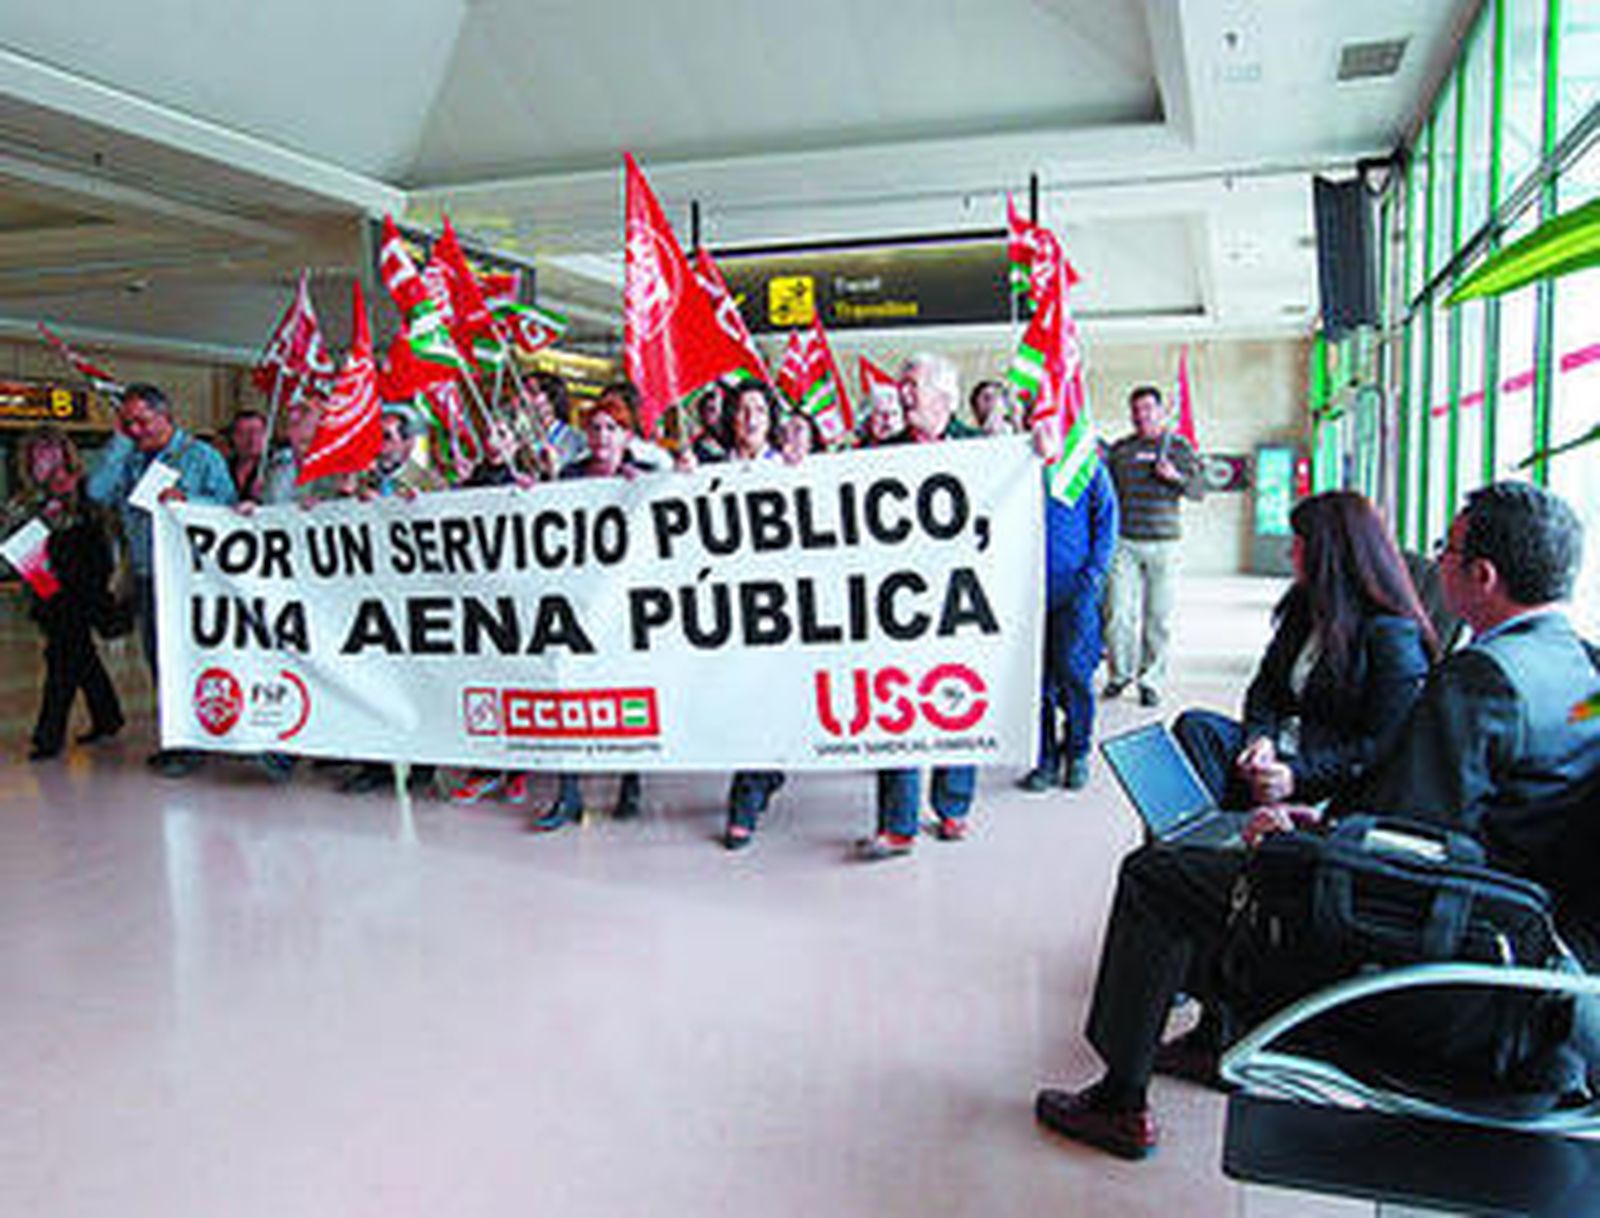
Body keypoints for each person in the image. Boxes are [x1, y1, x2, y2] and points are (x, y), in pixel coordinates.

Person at [1033, 481, 1600, 1162]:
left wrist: (1307, 839)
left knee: (1158, 875)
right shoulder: (1582, 672)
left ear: (1483, 575)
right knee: (1215, 835)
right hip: (1522, 933)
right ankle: (1212, 1035)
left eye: (1447, 551)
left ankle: (1118, 1102)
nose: (1436, 564)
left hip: (1445, 949)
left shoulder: (1481, 680)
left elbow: (1411, 845)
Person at [1171, 491, 1437, 809]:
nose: (1290, 554)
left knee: (1198, 791)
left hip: (1331, 776)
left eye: (1298, 544)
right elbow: (1267, 686)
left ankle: (1204, 842)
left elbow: (1382, 745)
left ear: (1328, 554)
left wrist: (1296, 775)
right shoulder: (1305, 607)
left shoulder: (1392, 636)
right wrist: (1261, 738)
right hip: (1284, 751)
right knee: (1196, 729)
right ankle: (1204, 836)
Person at [857, 354, 982, 860]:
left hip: (964, 598)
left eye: (913, 385)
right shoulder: (880, 452)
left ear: (946, 396)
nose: (903, 394)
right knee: (897, 708)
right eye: (901, 385)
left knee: (958, 699)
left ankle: (953, 806)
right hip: (899, 604)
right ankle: (897, 823)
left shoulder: (984, 449)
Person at [85, 383, 235, 777]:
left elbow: (230, 509)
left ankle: (199, 739)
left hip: (190, 577)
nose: (136, 429)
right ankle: (178, 737)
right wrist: (118, 443)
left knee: (191, 658)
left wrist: (189, 502)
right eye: (128, 422)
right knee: (159, 659)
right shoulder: (129, 459)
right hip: (147, 575)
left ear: (165, 415)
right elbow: (97, 492)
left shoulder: (201, 457)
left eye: (142, 421)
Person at [529, 384, 649, 832]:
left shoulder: (644, 478)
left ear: (625, 435)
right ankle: (569, 793)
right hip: (579, 606)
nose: (601, 436)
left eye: (610, 429)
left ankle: (631, 781)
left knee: (630, 692)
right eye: (595, 428)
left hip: (626, 609)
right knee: (570, 694)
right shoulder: (569, 479)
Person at [11, 429, 123, 760]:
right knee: (79, 656)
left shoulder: (88, 491)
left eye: (52, 452)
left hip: (86, 587)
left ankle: (49, 735)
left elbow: (108, 533)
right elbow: (14, 541)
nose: (46, 460)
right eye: (38, 453)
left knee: (62, 660)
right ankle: (108, 716)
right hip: (49, 590)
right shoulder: (26, 500)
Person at [1018, 458, 1119, 792]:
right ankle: (1045, 759)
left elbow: (1107, 521)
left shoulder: (1085, 467)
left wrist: (1093, 576)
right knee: (1036, 684)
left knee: (1075, 674)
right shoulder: (1020, 463)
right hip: (1026, 593)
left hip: (1076, 592)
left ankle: (1077, 752)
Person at [1102, 386, 1204, 707]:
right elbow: (1105, 492)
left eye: (1148, 409)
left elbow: (1199, 490)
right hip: (1124, 543)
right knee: (1118, 613)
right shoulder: (1120, 450)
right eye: (1136, 410)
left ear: (1160, 412)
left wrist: (1174, 476)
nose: (1141, 415)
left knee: (1158, 617)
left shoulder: (1178, 447)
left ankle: (1151, 680)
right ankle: (1120, 675)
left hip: (1165, 544)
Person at [225, 409, 270, 503]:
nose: (252, 439)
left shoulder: (276, 466)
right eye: (244, 433)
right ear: (233, 436)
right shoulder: (222, 467)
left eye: (258, 433)